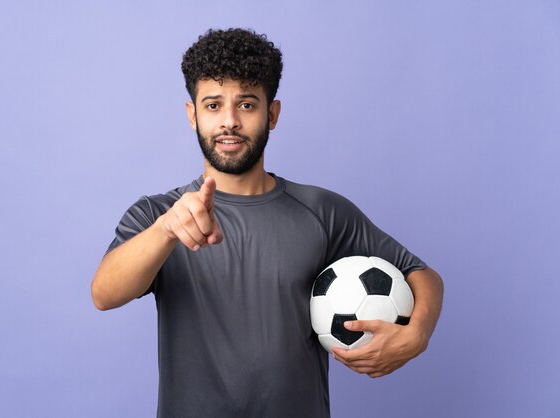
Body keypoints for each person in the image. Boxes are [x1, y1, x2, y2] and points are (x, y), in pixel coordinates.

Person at [91, 28, 443, 418]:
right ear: (192, 115)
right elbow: (104, 293)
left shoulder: (321, 211)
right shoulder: (158, 214)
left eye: (246, 105)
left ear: (271, 114)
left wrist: (418, 334)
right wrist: (166, 230)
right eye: (212, 105)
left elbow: (421, 274)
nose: (229, 122)